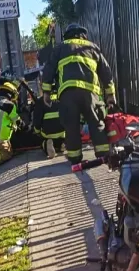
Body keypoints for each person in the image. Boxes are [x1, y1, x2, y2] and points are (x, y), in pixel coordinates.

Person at [41, 23, 116, 165]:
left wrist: (46, 92)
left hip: (67, 93)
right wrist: (110, 94)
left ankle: (75, 159)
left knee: (71, 126)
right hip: (90, 93)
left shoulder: (60, 48)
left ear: (67, 35)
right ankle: (103, 155)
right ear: (83, 35)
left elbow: (48, 70)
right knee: (96, 123)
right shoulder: (92, 47)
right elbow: (106, 72)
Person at [32, 88, 65, 159]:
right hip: (62, 130)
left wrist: (37, 131)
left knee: (43, 138)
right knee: (60, 136)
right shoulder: (61, 98)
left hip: (48, 132)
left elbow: (37, 120)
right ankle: (63, 143)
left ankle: (46, 144)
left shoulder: (41, 101)